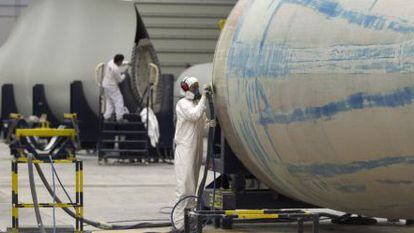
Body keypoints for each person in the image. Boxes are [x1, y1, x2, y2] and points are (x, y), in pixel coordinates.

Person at [172, 76, 214, 232]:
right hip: (184, 148)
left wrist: (210, 124)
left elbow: (201, 123)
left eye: (197, 87)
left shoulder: (196, 104)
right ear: (185, 89)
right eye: (193, 87)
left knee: (193, 186)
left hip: (195, 148)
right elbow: (195, 115)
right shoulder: (182, 104)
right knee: (184, 187)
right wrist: (204, 96)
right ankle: (178, 224)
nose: (195, 90)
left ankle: (188, 223)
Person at [102, 54, 128, 121]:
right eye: (121, 61)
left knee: (109, 101)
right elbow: (119, 80)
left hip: (105, 85)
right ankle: (120, 118)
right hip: (112, 87)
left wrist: (127, 63)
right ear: (119, 61)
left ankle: (106, 117)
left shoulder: (110, 62)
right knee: (119, 100)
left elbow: (120, 64)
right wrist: (124, 74)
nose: (121, 63)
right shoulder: (116, 69)